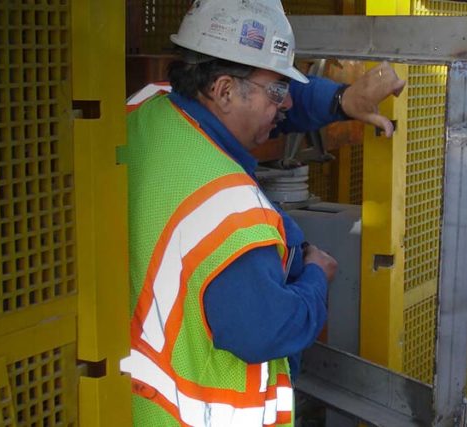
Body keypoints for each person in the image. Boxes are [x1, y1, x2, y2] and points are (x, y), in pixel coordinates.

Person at [119, 0, 405, 425]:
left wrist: (340, 99)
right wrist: (315, 278)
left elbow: (286, 102)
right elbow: (268, 330)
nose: (287, 104)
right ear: (223, 90)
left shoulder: (146, 110)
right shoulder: (229, 208)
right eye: (277, 91)